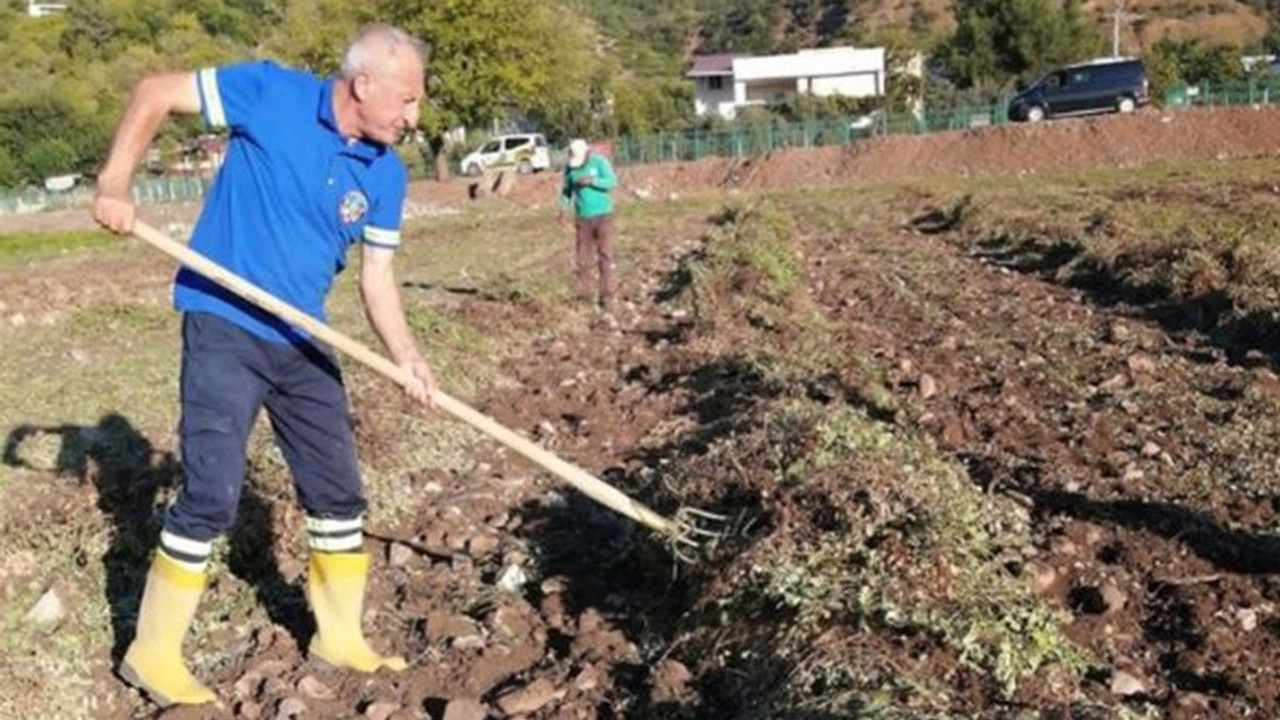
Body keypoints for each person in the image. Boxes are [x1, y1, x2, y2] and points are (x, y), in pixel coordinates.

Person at [92, 24, 437, 707]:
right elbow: (154, 92)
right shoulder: (270, 92)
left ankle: (338, 634)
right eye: (407, 99)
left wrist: (409, 358)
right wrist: (114, 182)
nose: (413, 116)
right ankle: (152, 651)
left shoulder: (386, 173)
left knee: (338, 492)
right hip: (224, 319)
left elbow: (377, 280)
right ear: (363, 85)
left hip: (302, 335)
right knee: (213, 493)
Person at [557, 138, 618, 316]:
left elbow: (612, 182)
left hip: (603, 215)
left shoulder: (599, 162)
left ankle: (607, 296)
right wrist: (563, 209)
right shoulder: (570, 168)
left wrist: (592, 181)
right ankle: (584, 296)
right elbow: (566, 190)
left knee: (605, 255)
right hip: (583, 218)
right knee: (583, 259)